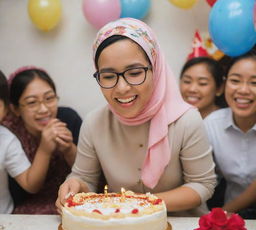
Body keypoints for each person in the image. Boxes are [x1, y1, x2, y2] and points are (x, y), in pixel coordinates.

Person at [56, 18, 216, 216]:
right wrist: (74, 185)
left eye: (134, 73)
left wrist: (139, 203)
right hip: (121, 227)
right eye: (108, 76)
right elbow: (84, 177)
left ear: (155, 69)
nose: (122, 88)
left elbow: (203, 185)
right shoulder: (94, 123)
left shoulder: (186, 120)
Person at [2, 66, 82, 214]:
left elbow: (87, 173)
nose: (44, 109)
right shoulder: (9, 132)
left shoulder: (69, 119)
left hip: (71, 200)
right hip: (26, 209)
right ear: (15, 109)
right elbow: (30, 188)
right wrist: (44, 149)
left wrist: (68, 149)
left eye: (49, 98)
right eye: (32, 102)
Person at [204, 51, 256, 219]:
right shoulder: (212, 124)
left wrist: (219, 214)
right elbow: (202, 177)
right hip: (232, 217)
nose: (243, 90)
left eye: (254, 83)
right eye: (235, 80)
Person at [0, 70, 50, 213]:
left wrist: (45, 149)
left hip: (4, 220)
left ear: (5, 109)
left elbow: (30, 184)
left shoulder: (7, 140)